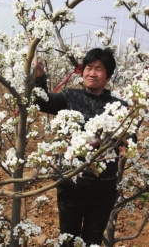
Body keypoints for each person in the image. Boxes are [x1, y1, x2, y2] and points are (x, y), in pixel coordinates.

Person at [34, 48, 136, 246]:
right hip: (71, 183)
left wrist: (114, 140)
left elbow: (130, 138)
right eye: (89, 67)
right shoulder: (69, 97)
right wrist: (39, 77)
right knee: (68, 238)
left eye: (99, 69)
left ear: (108, 75)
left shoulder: (119, 106)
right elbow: (41, 102)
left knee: (92, 240)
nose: (92, 73)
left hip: (103, 187)